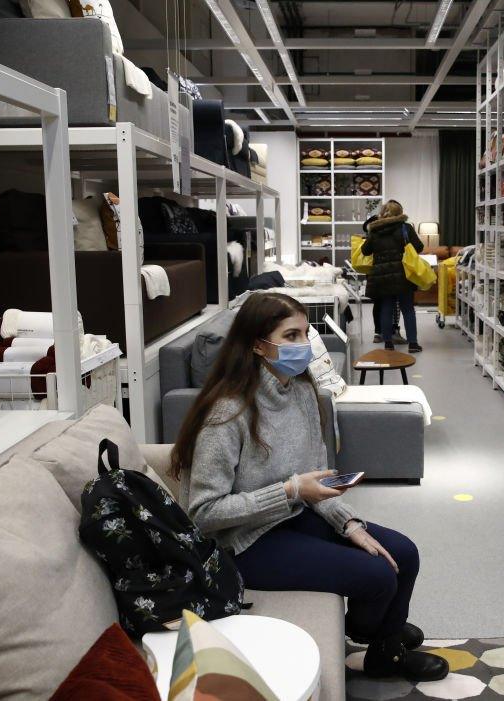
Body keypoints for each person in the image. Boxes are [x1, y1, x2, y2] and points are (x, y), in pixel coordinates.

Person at [170, 292, 448, 683]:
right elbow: (204, 514)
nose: (305, 345)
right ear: (257, 345)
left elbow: (314, 477)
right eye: (292, 336)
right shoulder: (227, 412)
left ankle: (380, 633)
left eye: (306, 333)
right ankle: (381, 643)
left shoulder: (302, 392)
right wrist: (289, 491)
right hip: (244, 543)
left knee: (404, 552)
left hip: (294, 516)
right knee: (378, 576)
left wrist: (349, 524)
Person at [362, 200, 424, 352]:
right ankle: (413, 344)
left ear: (383, 213)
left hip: (382, 276)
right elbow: (419, 247)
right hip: (403, 274)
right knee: (408, 309)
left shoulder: (375, 230)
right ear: (400, 213)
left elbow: (365, 251)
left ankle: (388, 344)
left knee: (386, 309)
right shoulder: (405, 228)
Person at [363, 215, 405, 345]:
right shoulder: (396, 228)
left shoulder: (374, 228)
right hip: (393, 270)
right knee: (392, 303)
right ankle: (392, 332)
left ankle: (379, 333)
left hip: (375, 270)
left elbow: (365, 249)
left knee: (379, 303)